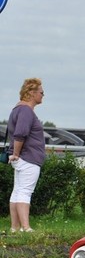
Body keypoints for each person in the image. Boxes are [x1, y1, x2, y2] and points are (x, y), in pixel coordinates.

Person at [7, 78, 46, 233]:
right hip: (28, 157)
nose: (43, 95)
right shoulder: (26, 111)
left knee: (17, 191)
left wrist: (15, 155)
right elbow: (20, 133)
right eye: (41, 92)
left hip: (21, 158)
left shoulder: (16, 109)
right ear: (31, 92)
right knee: (25, 191)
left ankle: (14, 228)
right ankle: (25, 227)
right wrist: (16, 154)